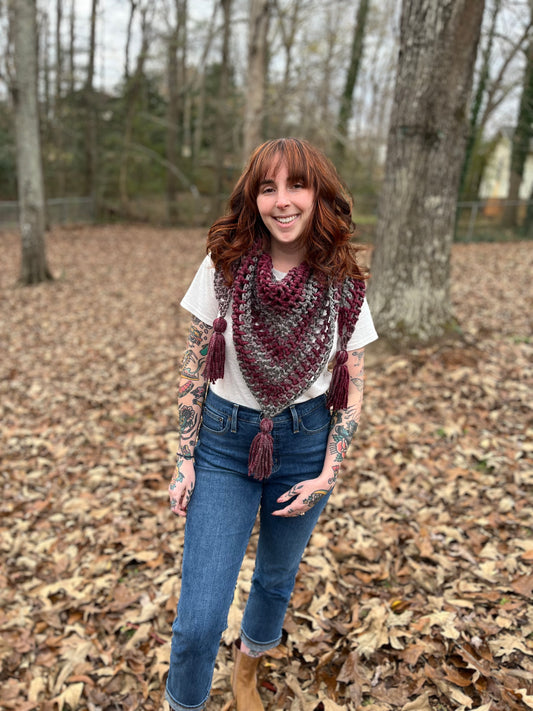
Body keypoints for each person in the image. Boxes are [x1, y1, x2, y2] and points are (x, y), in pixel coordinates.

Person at [165, 137, 378, 711]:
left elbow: (351, 389)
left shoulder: (343, 282)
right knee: (199, 618)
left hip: (305, 445)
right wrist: (185, 459)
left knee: (275, 581)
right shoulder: (223, 267)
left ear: (319, 195)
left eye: (296, 185)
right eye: (267, 188)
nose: (282, 201)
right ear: (252, 198)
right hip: (225, 446)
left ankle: (247, 671)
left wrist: (328, 472)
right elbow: (192, 367)